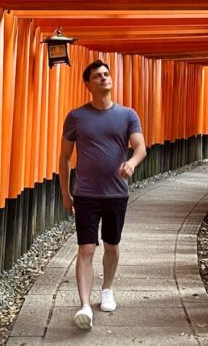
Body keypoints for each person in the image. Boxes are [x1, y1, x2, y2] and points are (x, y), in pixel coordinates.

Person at [58, 59, 147, 330]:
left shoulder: (127, 114)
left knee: (111, 245)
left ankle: (107, 289)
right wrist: (65, 192)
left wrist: (131, 163)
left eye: (106, 74)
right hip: (85, 194)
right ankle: (84, 305)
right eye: (97, 76)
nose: (104, 78)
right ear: (88, 84)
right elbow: (64, 158)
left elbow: (141, 146)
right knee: (85, 248)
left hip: (116, 194)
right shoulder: (76, 116)